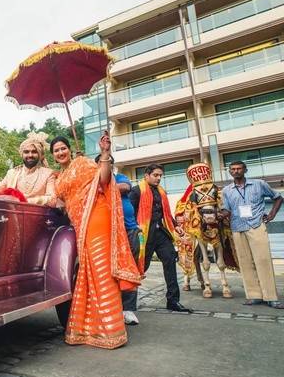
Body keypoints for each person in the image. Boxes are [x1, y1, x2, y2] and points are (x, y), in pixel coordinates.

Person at [52, 133, 142, 349]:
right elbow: (61, 200)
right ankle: (92, 327)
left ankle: (111, 331)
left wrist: (104, 153)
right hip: (79, 224)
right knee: (88, 272)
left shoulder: (82, 163)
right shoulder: (58, 177)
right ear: (53, 155)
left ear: (69, 149)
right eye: (56, 150)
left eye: (63, 148)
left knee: (101, 270)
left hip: (96, 216)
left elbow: (103, 180)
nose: (61, 152)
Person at [220, 160, 283, 309]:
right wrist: (219, 215)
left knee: (263, 260)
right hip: (237, 228)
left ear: (245, 170)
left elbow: (278, 197)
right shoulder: (227, 191)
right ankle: (254, 295)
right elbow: (226, 210)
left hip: (256, 225)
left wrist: (272, 214)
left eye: (239, 169)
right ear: (230, 172)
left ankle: (271, 297)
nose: (236, 171)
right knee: (245, 262)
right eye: (233, 169)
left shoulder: (259, 184)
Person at [129, 164, 192, 313]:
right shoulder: (136, 191)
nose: (158, 178)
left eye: (160, 176)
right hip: (143, 234)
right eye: (156, 175)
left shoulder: (162, 192)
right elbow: (129, 213)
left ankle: (173, 300)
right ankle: (127, 304)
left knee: (170, 260)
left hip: (160, 232)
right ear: (147, 175)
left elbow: (166, 212)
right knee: (139, 268)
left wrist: (175, 225)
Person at [0, 131, 55, 205]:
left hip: (38, 215)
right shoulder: (12, 173)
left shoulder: (48, 174)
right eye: (26, 152)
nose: (30, 155)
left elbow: (52, 199)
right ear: (21, 154)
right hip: (13, 215)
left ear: (40, 155)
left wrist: (24, 201)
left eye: (34, 152)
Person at [114, 169, 143, 325]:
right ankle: (115, 307)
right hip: (108, 231)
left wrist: (102, 185)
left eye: (109, 164)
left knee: (130, 268)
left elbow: (125, 187)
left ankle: (128, 309)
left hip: (129, 230)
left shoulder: (120, 177)